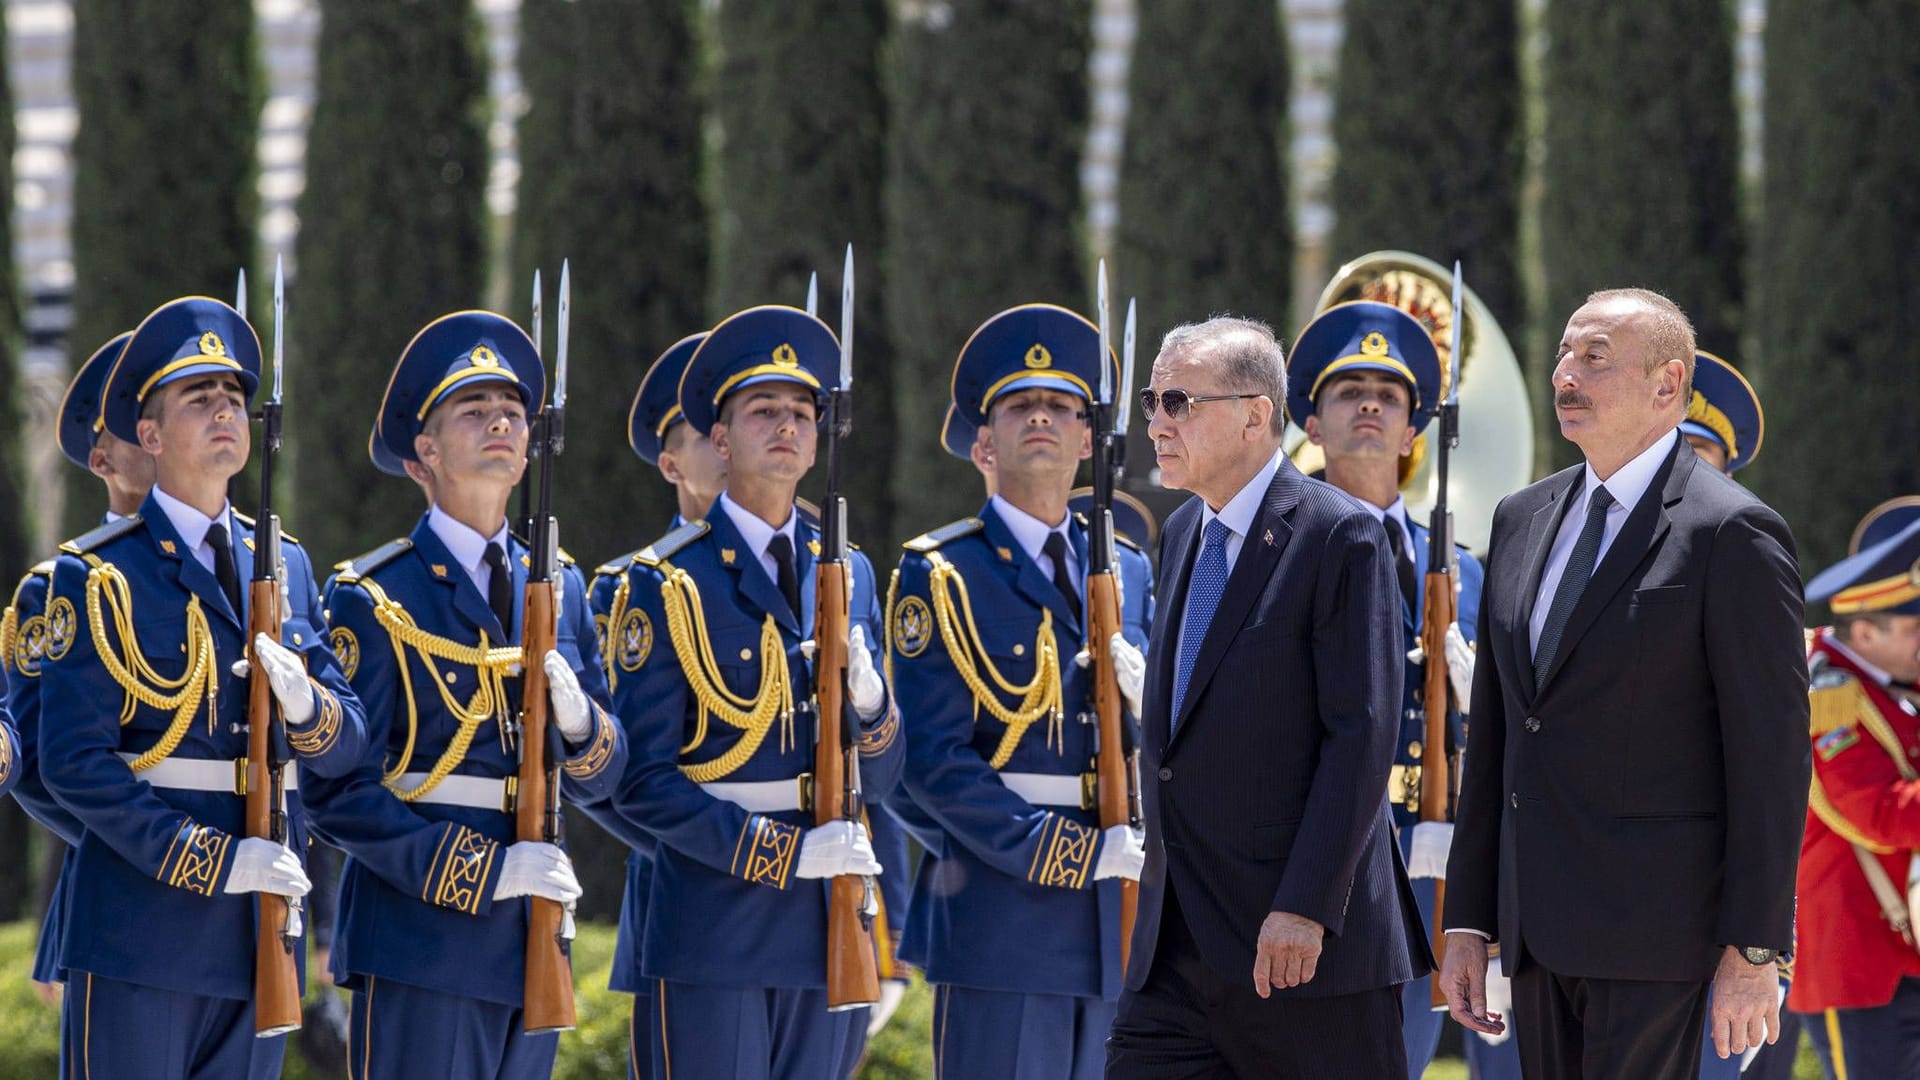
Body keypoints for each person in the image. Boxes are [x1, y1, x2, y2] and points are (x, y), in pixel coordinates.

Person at [1440, 288, 1809, 1079]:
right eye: (1566, 354)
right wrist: (1468, 919)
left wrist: (1756, 950)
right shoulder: (1521, 517)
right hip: (1536, 931)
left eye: (1596, 358)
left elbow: (1772, 760)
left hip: (1658, 937)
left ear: (1668, 384)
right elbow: (1500, 734)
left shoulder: (1731, 532)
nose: (1566, 374)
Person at [40, 296, 367, 1078]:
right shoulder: (96, 576)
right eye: (199, 397)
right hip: (140, 933)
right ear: (148, 436)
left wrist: (309, 704)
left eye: (233, 397)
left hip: (258, 937)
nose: (226, 409)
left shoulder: (285, 563)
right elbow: (71, 763)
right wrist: (210, 860)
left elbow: (350, 739)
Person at [309, 310, 627, 1078]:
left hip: (534, 933)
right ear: (425, 453)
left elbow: (610, 776)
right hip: (423, 939)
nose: (500, 424)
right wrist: (477, 872)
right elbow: (336, 793)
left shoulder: (562, 585)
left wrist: (585, 728)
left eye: (513, 413)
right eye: (473, 411)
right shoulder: (375, 593)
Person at [1106, 315, 1426, 1079]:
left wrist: (1306, 906)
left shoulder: (1338, 535)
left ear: (1257, 414)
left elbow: (1361, 736)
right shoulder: (1183, 532)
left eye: (1178, 402)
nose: (1156, 423)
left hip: (1302, 952)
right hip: (1178, 946)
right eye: (1152, 401)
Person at [599, 304, 903, 1080]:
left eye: (803, 411)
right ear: (722, 440)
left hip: (827, 926)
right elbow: (641, 782)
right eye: (763, 410)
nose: (788, 425)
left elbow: (888, 778)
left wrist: (874, 714)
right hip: (714, 928)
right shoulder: (666, 580)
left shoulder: (850, 570)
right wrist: (780, 852)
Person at [887, 304, 1154, 1080]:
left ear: (1087, 441)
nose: (1042, 416)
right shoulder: (941, 572)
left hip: (1121, 919)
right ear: (983, 442)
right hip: (1003, 919)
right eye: (1018, 406)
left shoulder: (1131, 569)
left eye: (1063, 407)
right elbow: (929, 761)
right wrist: (1063, 851)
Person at [1290, 300, 1521, 1080]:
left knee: (1406, 1064)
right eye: (1348, 389)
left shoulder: (1464, 566)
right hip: (1327, 854)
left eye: (1388, 396)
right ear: (1312, 426)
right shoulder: (1287, 552)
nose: (1369, 404)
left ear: (1414, 432)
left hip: (1435, 856)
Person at [3, 331, 152, 1026]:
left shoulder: (255, 576)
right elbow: (34, 765)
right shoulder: (65, 588)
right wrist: (140, 846)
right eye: (137, 425)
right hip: (118, 896)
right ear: (103, 458)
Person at [584, 330, 717, 1080]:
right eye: (708, 432)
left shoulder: (822, 574)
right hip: (682, 896)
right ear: (670, 463)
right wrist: (702, 850)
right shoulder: (624, 588)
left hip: (807, 909)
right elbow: (605, 771)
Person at [1674, 348, 1798, 1080]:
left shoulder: (1748, 560)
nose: (1682, 472)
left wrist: (1757, 949)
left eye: (1699, 454)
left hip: (1717, 920)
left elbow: (1773, 776)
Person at [1787, 515, 1920, 1078]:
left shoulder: (1893, 680)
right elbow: (1877, 812)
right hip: (1861, 962)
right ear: (1867, 634)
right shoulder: (1827, 701)